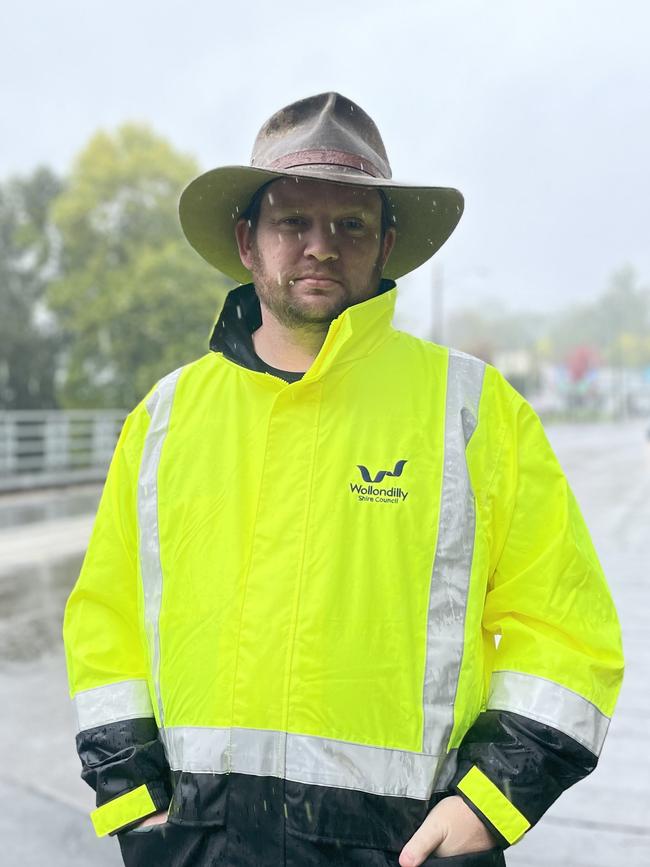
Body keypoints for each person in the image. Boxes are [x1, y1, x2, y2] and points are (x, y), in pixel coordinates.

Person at [62, 92, 624, 867]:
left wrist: (486, 806)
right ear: (247, 241)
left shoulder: (473, 410)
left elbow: (568, 633)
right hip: (200, 846)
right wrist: (136, 808)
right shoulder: (166, 416)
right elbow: (106, 626)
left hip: (407, 849)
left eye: (349, 224)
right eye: (293, 221)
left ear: (385, 244)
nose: (320, 245)